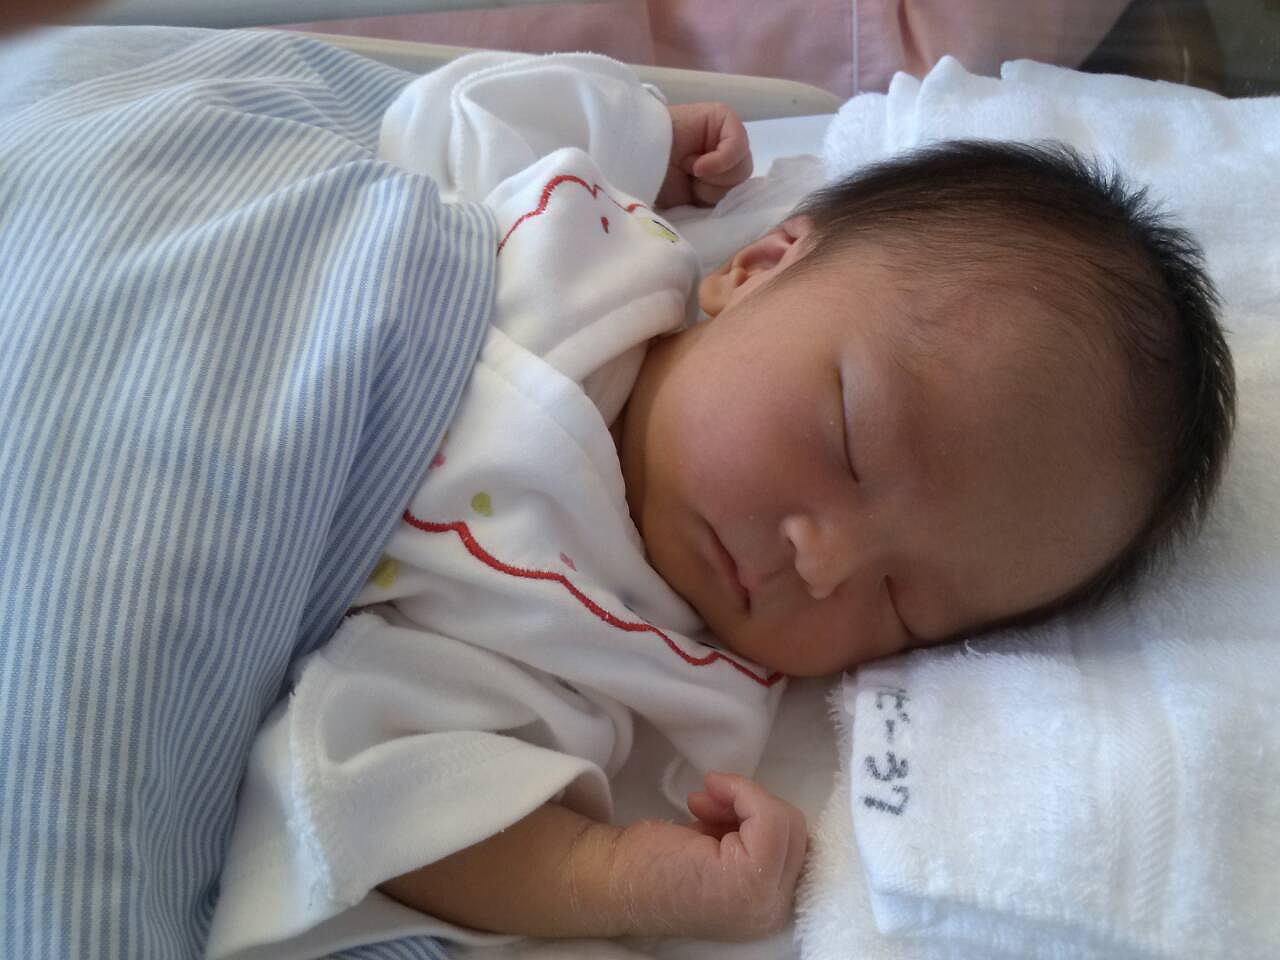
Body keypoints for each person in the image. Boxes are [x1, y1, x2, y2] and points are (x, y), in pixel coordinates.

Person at [205, 51, 1234, 958]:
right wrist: (641, 129)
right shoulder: (582, 235)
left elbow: (374, 795)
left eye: (900, 603)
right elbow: (440, 117)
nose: (822, 563)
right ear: (755, 267)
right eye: (848, 443)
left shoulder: (632, 669)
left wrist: (612, 874)